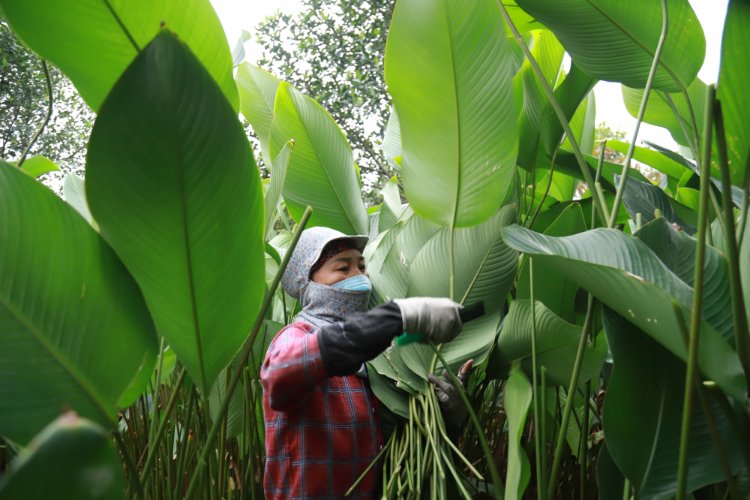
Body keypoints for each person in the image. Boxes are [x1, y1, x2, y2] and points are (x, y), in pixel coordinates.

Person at [260, 227, 469, 499]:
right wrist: (396, 317)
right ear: (306, 281)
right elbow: (279, 374)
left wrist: (448, 415)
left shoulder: (379, 355)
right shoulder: (296, 337)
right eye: (342, 269)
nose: (359, 277)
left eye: (361, 265)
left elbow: (402, 443)